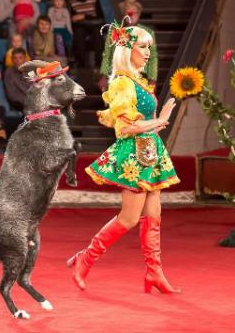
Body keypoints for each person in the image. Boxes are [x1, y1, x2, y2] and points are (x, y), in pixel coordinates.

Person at [67, 24, 181, 294]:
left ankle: (154, 272)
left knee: (154, 215)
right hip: (133, 154)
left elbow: (143, 124)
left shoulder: (139, 81)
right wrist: (160, 120)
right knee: (129, 218)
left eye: (149, 47)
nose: (147, 52)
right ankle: (85, 258)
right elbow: (124, 128)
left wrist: (157, 124)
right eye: (142, 46)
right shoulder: (121, 83)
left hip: (149, 150)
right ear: (127, 50)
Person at [99, 0, 157, 91]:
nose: (132, 15)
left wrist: (153, 80)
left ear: (139, 14)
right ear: (124, 14)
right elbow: (107, 55)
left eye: (135, 13)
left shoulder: (148, 32)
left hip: (141, 76)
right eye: (129, 13)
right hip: (118, 75)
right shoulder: (115, 31)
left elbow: (152, 57)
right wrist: (103, 76)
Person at [68, 0, 104, 69]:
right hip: (80, 26)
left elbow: (100, 18)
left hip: (94, 25)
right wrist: (79, 18)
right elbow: (72, 19)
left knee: (97, 31)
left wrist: (83, 16)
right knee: (79, 32)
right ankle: (81, 63)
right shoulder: (71, 2)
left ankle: (98, 62)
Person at [3, 48, 31, 112]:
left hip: (32, 101)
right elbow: (11, 94)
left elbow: (33, 87)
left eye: (20, 58)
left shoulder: (30, 71)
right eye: (15, 58)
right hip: (19, 104)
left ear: (25, 59)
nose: (17, 60)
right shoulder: (8, 73)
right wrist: (26, 102)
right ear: (12, 60)